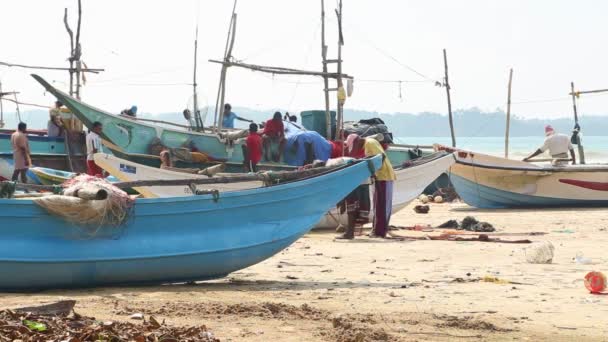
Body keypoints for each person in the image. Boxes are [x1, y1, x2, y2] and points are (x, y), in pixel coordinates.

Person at [339, 134, 396, 239]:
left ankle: (379, 232)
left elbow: (378, 159)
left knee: (381, 206)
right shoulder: (370, 142)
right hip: (383, 176)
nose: (358, 149)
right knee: (380, 205)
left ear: (357, 142)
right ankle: (378, 231)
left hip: (383, 176)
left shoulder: (369, 143)